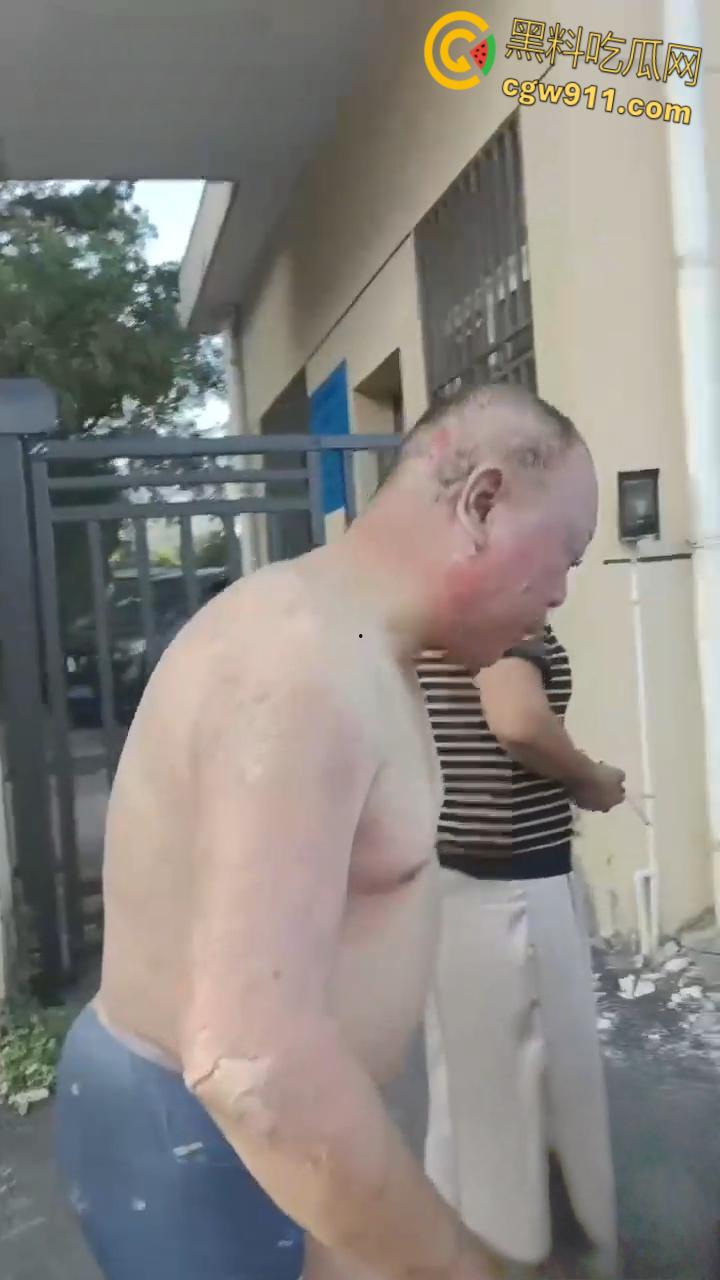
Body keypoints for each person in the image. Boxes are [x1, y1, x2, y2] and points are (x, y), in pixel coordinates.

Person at [55, 384, 599, 1280]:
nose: (560, 592)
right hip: (204, 1147)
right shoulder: (302, 667)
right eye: (566, 553)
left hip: (245, 1139)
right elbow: (252, 1066)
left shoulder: (358, 644)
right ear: (482, 502)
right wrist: (456, 1263)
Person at [417, 623, 625, 1278]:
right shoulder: (502, 610)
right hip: (511, 887)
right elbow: (517, 720)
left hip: (457, 877)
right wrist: (590, 778)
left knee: (472, 1103)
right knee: (542, 1104)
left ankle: (464, 1257)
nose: (560, 585)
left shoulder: (436, 609)